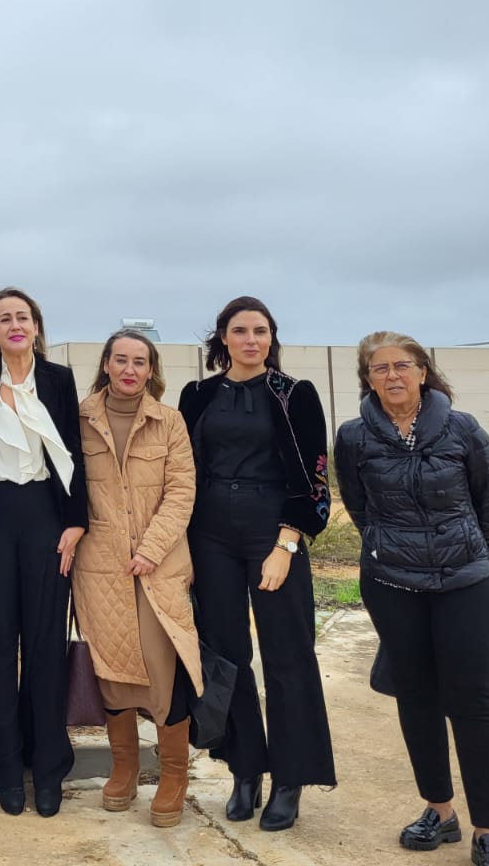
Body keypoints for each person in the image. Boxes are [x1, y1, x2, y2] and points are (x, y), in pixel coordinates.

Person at [335, 332, 489, 866]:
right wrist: (387, 547)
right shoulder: (353, 437)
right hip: (392, 585)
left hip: (466, 583)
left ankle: (488, 830)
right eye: (380, 368)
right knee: (416, 697)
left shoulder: (462, 428)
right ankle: (440, 810)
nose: (392, 376)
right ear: (368, 378)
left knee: (475, 701)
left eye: (402, 366)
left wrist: (475, 557)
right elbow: (358, 503)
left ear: (423, 371)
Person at [178, 296, 335, 832]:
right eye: (240, 330)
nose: (251, 339)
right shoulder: (196, 395)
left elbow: (316, 477)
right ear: (222, 337)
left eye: (261, 331)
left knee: (287, 653)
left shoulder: (294, 395)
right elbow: (182, 469)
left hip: (272, 530)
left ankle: (290, 778)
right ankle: (245, 770)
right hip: (210, 534)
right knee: (226, 653)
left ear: (272, 337)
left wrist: (286, 544)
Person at [0, 286, 87, 818]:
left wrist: (77, 523)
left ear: (35, 326)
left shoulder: (58, 379)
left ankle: (47, 769)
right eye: (3, 318)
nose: (14, 325)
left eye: (22, 317)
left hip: (47, 520)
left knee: (46, 644)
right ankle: (2, 768)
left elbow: (73, 452)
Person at [73, 331, 202, 828]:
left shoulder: (169, 421)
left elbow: (181, 491)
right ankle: (123, 768)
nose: (130, 369)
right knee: (110, 669)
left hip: (159, 565)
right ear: (106, 363)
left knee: (161, 665)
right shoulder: (80, 417)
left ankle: (173, 775)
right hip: (99, 566)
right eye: (120, 360)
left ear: (152, 371)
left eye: (140, 362)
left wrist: (150, 550)